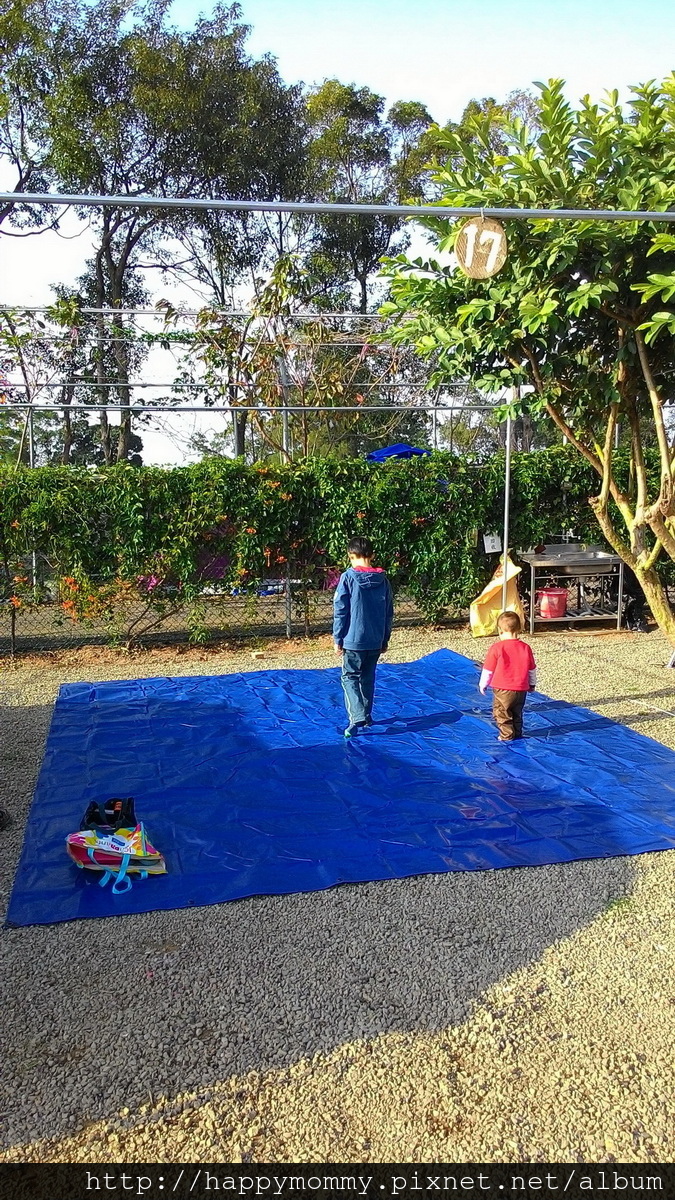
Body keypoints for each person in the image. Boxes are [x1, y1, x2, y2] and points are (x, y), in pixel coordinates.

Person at [333, 536, 394, 738]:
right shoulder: (383, 580)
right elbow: (388, 612)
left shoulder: (348, 578)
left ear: (351, 556)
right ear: (372, 555)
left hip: (354, 640)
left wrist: (337, 638)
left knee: (349, 677)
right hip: (375, 639)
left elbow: (341, 609)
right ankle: (367, 715)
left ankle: (357, 716)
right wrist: (384, 638)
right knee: (368, 677)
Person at [478, 610, 537, 741]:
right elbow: (532, 669)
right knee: (517, 712)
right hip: (521, 689)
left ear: (500, 630)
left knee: (502, 712)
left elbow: (488, 669)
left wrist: (483, 684)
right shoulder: (525, 648)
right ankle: (517, 732)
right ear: (519, 629)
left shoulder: (497, 648)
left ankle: (506, 735)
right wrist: (532, 684)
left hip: (503, 689)